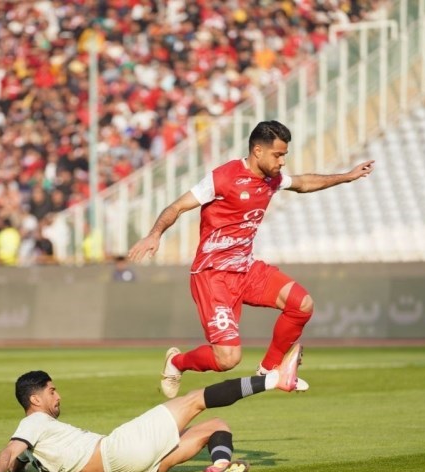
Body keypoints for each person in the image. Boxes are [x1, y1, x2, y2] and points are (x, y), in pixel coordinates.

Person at [128, 120, 374, 398]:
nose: (282, 162)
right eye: (278, 155)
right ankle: (177, 362)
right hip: (213, 275)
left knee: (302, 304)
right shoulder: (224, 177)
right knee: (227, 359)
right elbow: (177, 206)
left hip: (246, 269)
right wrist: (154, 235)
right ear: (258, 151)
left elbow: (304, 183)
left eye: (284, 155)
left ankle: (269, 368)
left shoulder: (272, 179)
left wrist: (347, 176)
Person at [0, 343, 302, 472]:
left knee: (216, 425)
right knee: (194, 400)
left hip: (136, 468)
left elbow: (16, 459)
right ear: (35, 398)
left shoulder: (35, 440)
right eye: (52, 391)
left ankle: (219, 467)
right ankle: (274, 379)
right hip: (118, 449)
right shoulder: (34, 422)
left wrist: (17, 465)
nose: (58, 396)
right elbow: (8, 452)